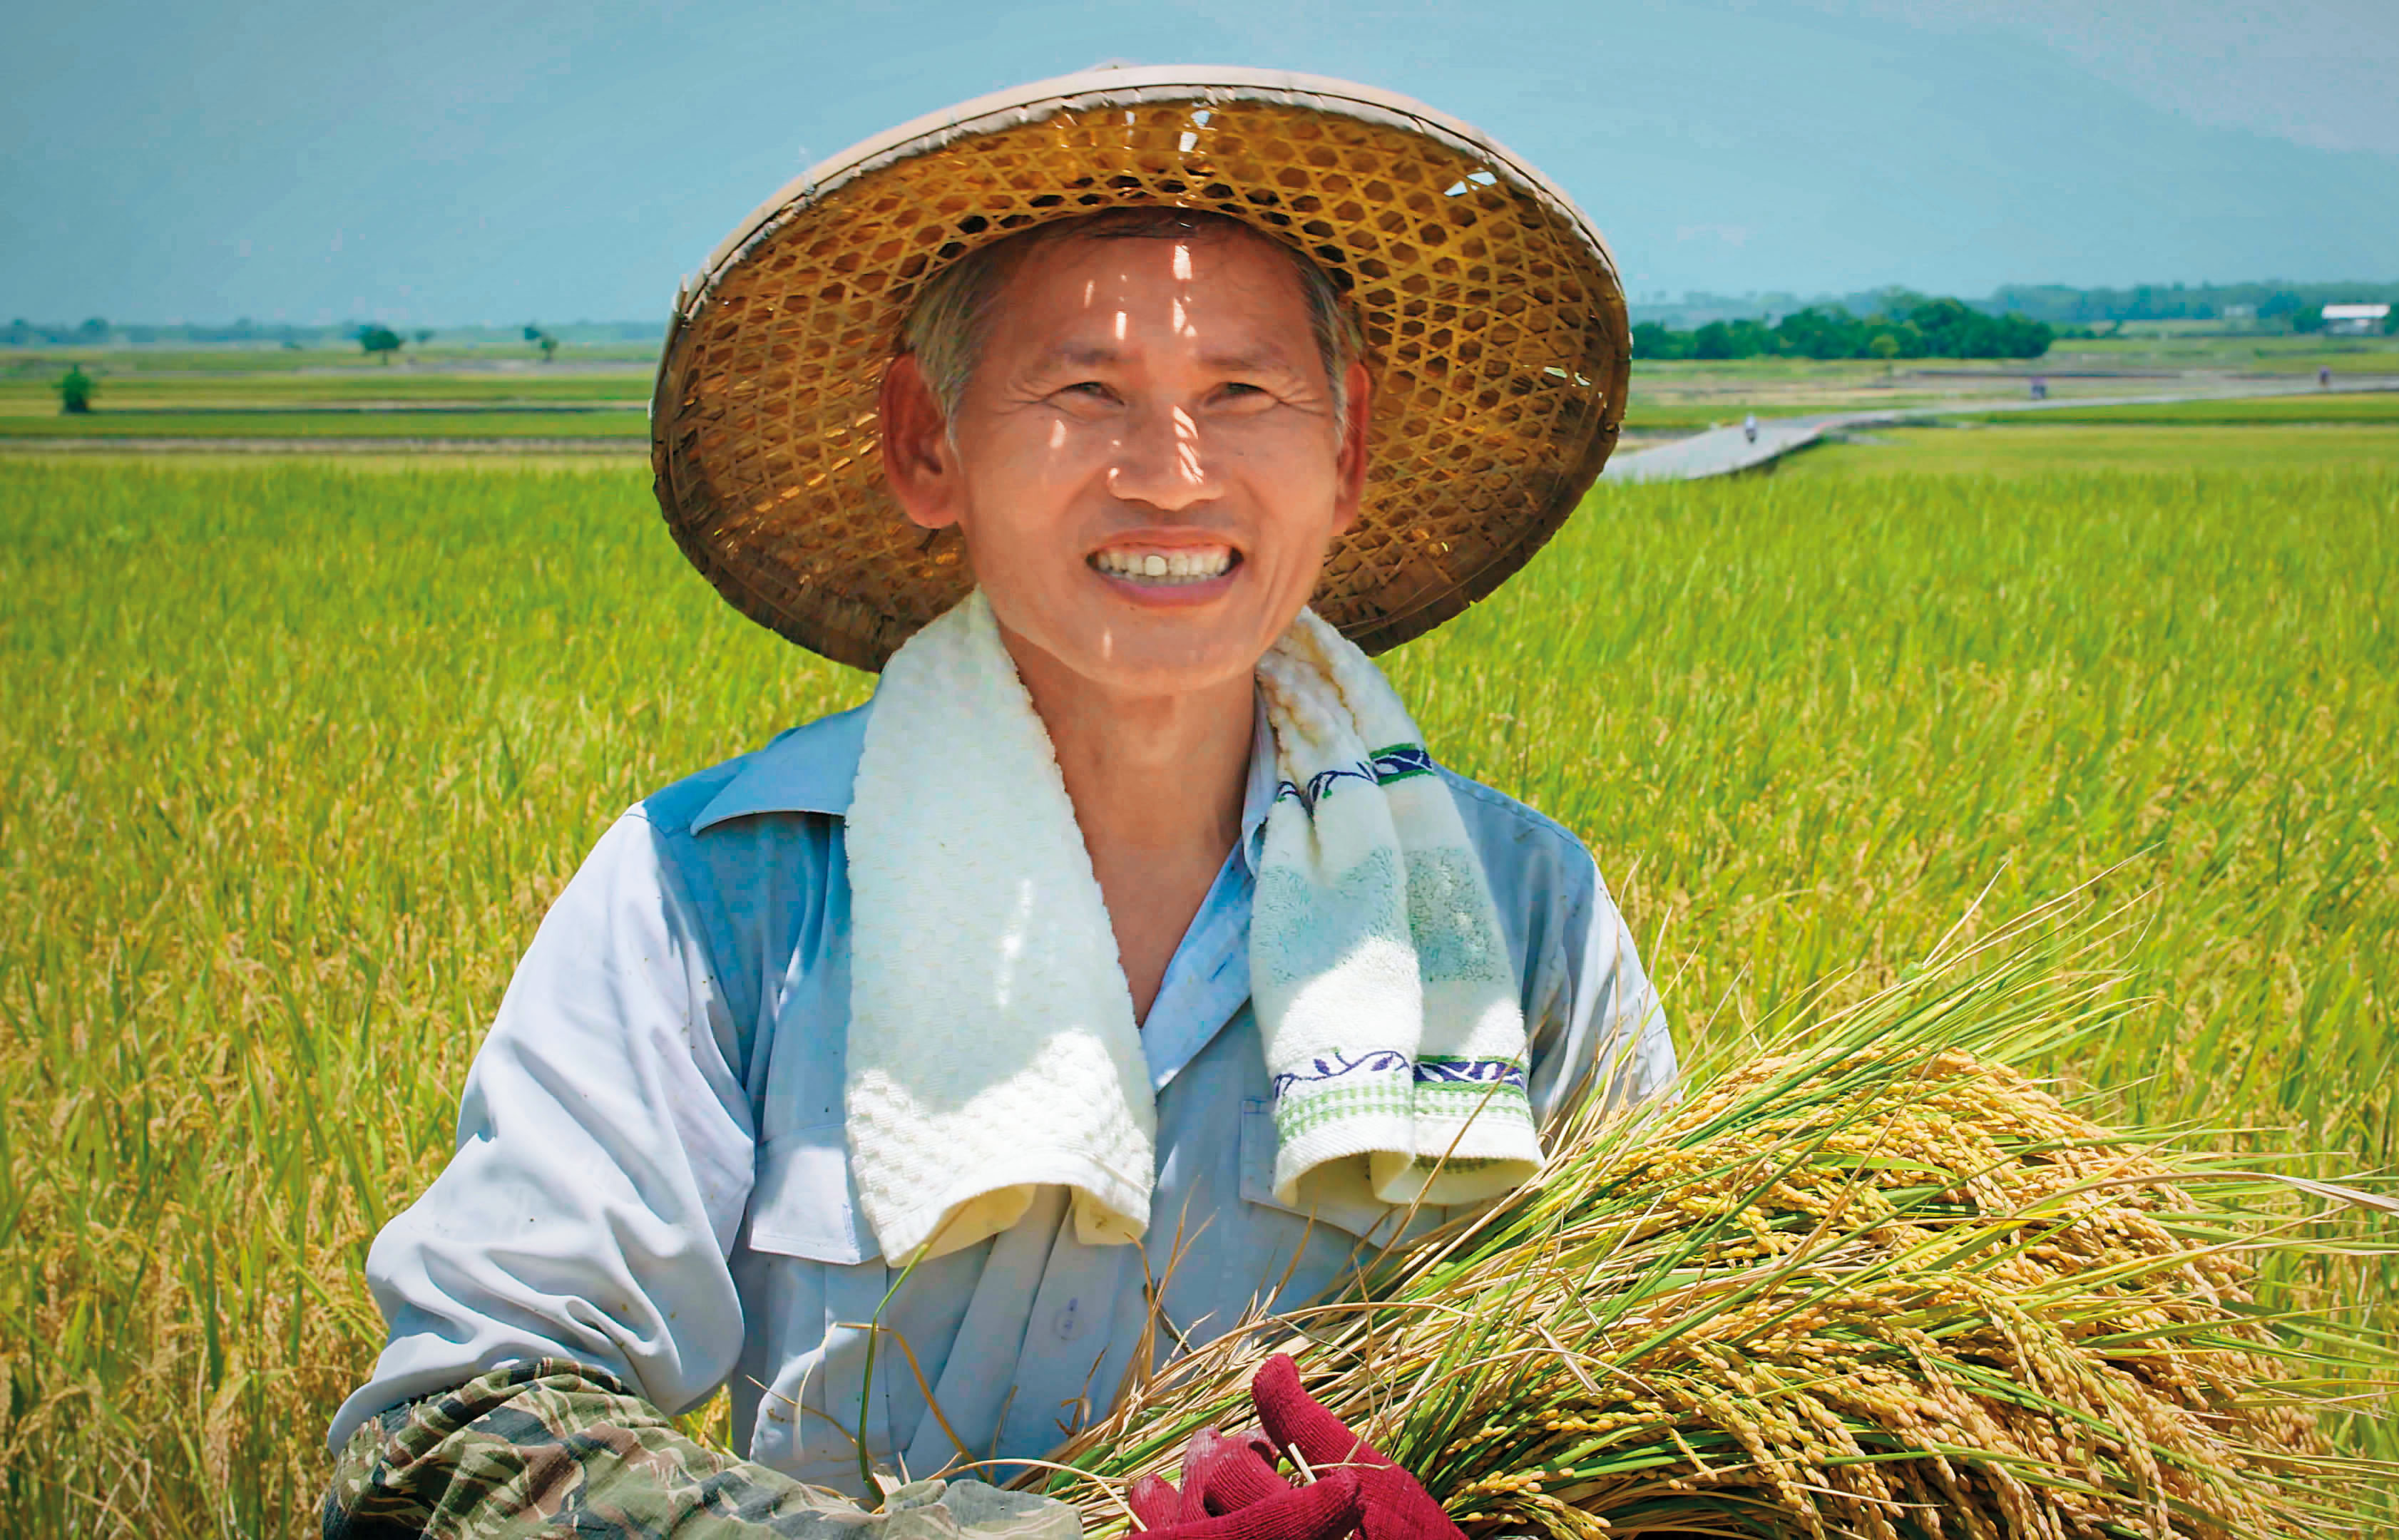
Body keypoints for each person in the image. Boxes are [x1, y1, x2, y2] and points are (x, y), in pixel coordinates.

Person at [321, 66, 1674, 1539]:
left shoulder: (1517, 918)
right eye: (1086, 391)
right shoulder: (722, 898)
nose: (1172, 478)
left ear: (1344, 448)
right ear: (926, 445)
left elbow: (1677, 1402)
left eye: (1245, 394)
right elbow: (438, 1444)